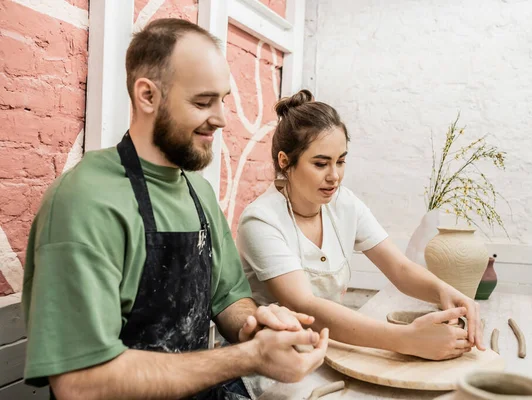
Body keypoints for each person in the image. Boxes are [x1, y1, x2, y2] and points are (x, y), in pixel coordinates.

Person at [21, 19, 328, 400]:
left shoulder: (197, 191)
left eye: (223, 100)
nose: (221, 118)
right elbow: (80, 382)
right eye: (203, 102)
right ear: (148, 96)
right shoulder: (86, 203)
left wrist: (258, 328)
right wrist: (247, 357)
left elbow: (229, 297)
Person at [237, 89, 486, 366]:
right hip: (271, 365)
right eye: (321, 164)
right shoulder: (260, 220)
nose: (334, 176)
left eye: (341, 161)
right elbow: (305, 306)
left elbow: (400, 270)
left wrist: (448, 293)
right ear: (285, 161)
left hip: (329, 350)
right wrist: (407, 339)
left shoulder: (345, 204)